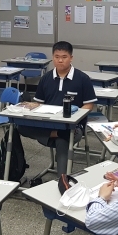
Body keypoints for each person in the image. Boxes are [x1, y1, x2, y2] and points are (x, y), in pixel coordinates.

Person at [17, 41, 97, 176]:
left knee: (63, 140)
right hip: (48, 122)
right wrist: (26, 107)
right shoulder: (46, 78)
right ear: (52, 57)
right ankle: (56, 134)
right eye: (57, 56)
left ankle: (62, 179)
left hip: (73, 125)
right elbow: (39, 103)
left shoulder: (82, 78)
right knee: (20, 126)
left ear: (71, 57)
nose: (60, 60)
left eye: (64, 57)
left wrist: (76, 118)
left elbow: (89, 104)